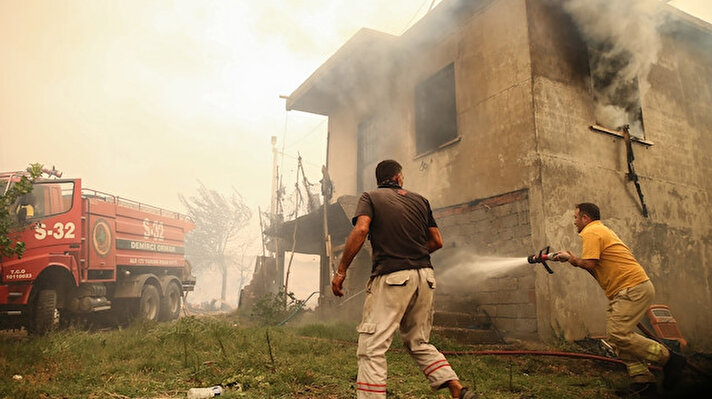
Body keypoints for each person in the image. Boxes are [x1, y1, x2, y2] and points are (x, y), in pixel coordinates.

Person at [331, 160, 477, 399]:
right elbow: (437, 241)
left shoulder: (370, 197)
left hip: (392, 277)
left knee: (372, 346)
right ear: (398, 177)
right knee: (419, 342)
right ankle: (455, 387)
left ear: (380, 180)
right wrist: (413, 254)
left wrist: (341, 272)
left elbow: (360, 230)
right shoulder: (420, 200)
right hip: (425, 277)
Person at [552, 203, 686, 394]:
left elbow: (590, 263)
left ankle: (669, 359)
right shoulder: (601, 230)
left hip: (632, 288)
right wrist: (571, 259)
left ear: (585, 218)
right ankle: (643, 381)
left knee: (618, 334)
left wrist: (573, 259)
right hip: (627, 289)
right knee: (618, 338)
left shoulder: (591, 232)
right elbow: (595, 268)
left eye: (575, 218)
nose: (574, 222)